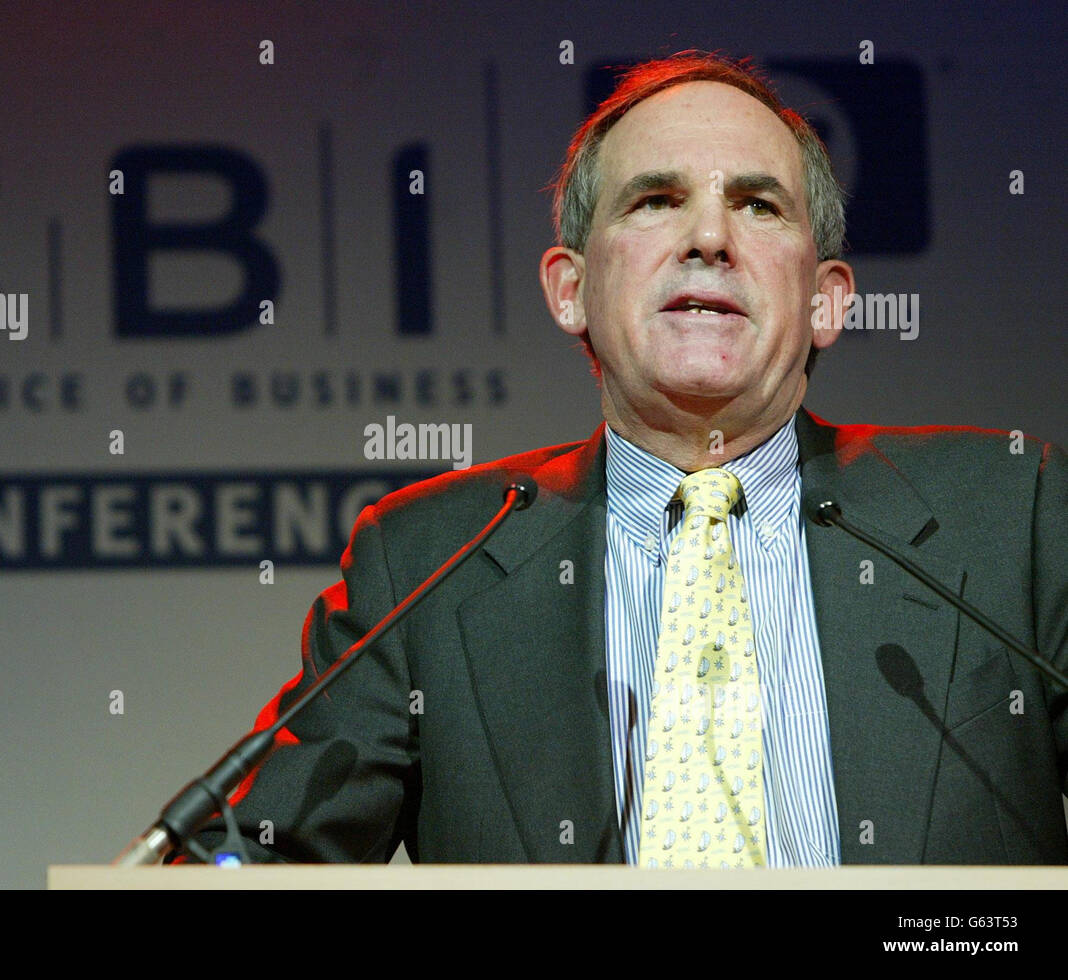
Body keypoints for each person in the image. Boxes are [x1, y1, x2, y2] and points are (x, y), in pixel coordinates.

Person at [178, 51, 1068, 866]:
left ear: (828, 300)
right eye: (656, 201)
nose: (709, 238)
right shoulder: (427, 563)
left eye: (758, 205)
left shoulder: (1012, 516)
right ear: (571, 289)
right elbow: (259, 857)